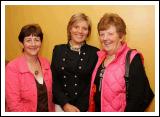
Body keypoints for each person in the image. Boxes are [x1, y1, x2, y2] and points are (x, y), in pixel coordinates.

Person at [88, 13, 154, 112]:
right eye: (102, 34)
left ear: (121, 36)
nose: (105, 38)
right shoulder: (99, 57)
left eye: (110, 34)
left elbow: (139, 98)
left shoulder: (132, 58)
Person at [51, 13, 99, 112]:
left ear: (88, 32)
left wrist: (80, 109)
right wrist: (65, 104)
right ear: (70, 28)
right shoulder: (58, 50)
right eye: (76, 27)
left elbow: (93, 84)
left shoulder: (95, 53)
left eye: (84, 28)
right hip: (61, 106)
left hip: (83, 108)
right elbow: (54, 81)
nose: (80, 31)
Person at [5, 24, 55, 112]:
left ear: (41, 42)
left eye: (36, 40)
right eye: (28, 40)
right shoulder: (12, 68)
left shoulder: (46, 63)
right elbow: (14, 105)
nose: (33, 44)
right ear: (22, 44)